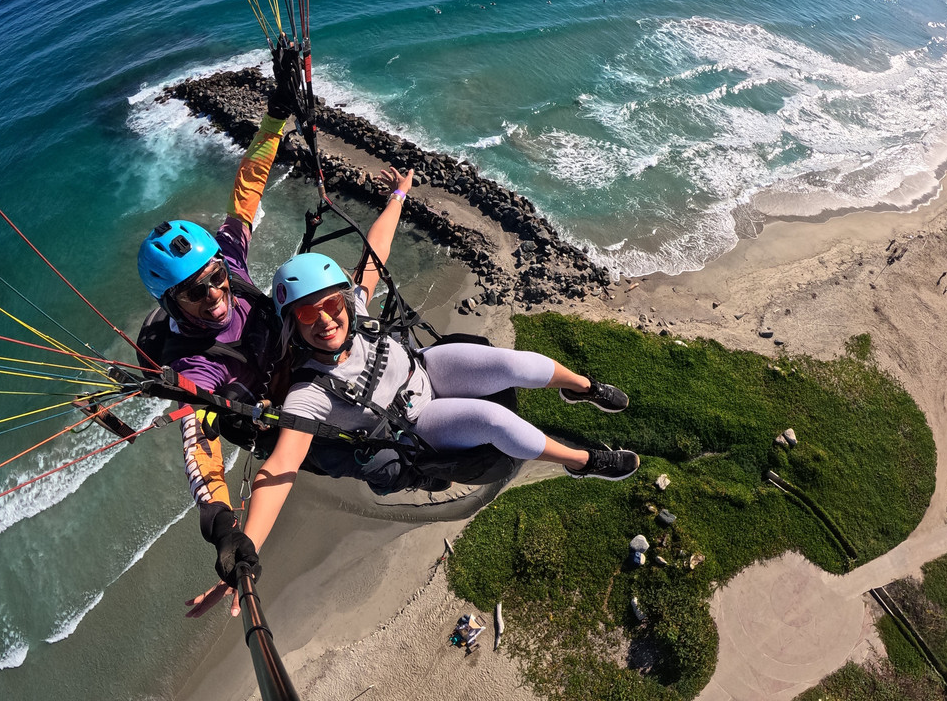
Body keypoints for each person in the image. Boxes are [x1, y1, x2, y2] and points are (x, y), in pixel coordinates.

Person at [186, 167, 639, 617]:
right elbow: (280, 468)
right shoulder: (309, 393)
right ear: (292, 325)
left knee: (514, 364)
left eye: (331, 304)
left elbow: (375, 251)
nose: (325, 320)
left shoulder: (357, 310)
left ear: (343, 301)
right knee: (496, 421)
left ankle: (583, 388)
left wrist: (399, 196)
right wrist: (244, 550)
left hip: (425, 369)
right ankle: (582, 462)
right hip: (418, 423)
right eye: (307, 314)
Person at [136, 42, 408, 595]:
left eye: (215, 276)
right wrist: (221, 527)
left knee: (353, 297)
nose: (214, 293)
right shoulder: (194, 365)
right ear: (169, 303)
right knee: (384, 464)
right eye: (193, 292)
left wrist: (276, 116)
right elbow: (198, 446)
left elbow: (248, 187)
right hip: (278, 410)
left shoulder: (229, 263)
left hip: (295, 352)